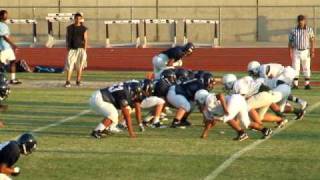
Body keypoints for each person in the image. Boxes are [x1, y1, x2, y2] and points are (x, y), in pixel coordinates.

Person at [194, 90, 273, 141]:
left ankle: (241, 133)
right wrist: (204, 134)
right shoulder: (206, 109)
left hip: (235, 100)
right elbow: (210, 122)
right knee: (246, 123)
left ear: (201, 98)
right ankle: (266, 130)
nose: (198, 104)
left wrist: (225, 109)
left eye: (198, 101)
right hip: (239, 100)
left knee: (225, 117)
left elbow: (221, 95)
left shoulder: (209, 99)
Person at [288, 15, 315, 89]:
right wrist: (290, 51)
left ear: (305, 21)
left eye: (302, 21)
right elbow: (290, 42)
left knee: (306, 67)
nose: (301, 22)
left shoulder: (309, 30)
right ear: (298, 21)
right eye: (300, 21)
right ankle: (295, 84)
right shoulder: (293, 30)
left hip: (306, 51)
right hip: (296, 51)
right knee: (295, 68)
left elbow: (312, 40)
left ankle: (307, 84)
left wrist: (312, 51)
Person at [64, 13, 88, 88]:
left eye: (79, 18)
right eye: (76, 18)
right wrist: (67, 47)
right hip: (72, 49)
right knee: (69, 65)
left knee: (80, 66)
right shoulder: (69, 28)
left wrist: (85, 50)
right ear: (74, 19)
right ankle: (68, 81)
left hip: (81, 50)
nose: (78, 20)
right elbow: (67, 38)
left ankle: (78, 81)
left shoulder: (84, 28)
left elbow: (86, 39)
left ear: (81, 19)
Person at [0, 10, 22, 85]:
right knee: (1, 64)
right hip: (2, 48)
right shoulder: (0, 25)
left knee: (13, 61)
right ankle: (2, 80)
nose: (7, 16)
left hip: (7, 47)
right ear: (1, 16)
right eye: (5, 15)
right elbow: (4, 37)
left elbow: (7, 36)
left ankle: (13, 79)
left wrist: (11, 45)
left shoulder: (5, 25)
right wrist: (13, 44)